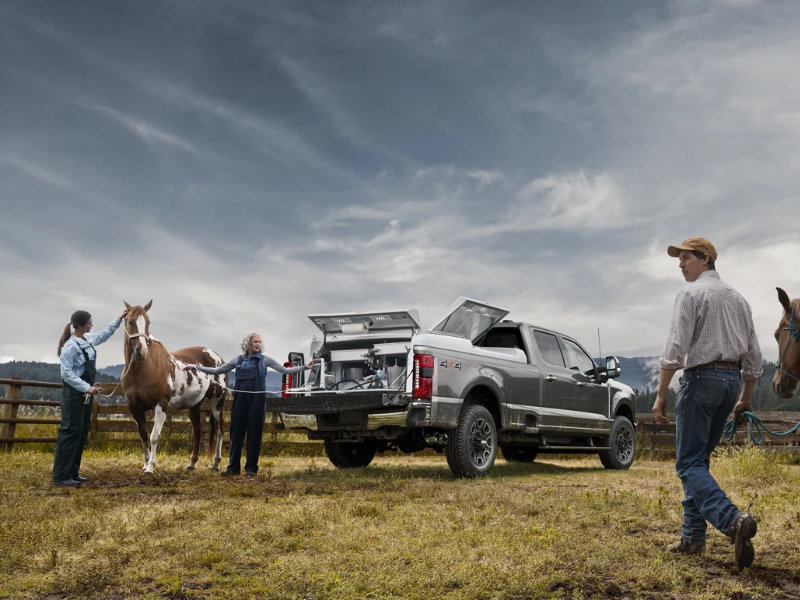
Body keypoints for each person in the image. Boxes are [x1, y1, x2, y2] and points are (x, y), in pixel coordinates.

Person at [652, 237, 762, 571]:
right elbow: (753, 354)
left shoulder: (690, 294)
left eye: (685, 258)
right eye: (679, 259)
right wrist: (744, 397)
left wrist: (661, 393)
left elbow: (675, 346)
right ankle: (692, 539)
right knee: (698, 462)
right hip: (730, 384)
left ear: (706, 259)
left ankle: (733, 520)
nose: (680, 264)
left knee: (688, 465)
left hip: (701, 381)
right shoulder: (739, 299)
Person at [191, 332, 314, 477]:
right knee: (236, 433)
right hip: (240, 401)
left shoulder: (265, 360)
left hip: (256, 401)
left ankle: (251, 469)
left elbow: (284, 370)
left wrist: (305, 367)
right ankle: (233, 467)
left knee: (254, 434)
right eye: (255, 342)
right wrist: (195, 367)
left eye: (260, 342)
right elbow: (218, 370)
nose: (258, 344)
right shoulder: (238, 360)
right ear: (248, 344)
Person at [53, 308, 126, 487]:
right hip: (73, 395)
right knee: (70, 431)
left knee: (81, 432)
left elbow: (105, 334)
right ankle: (60, 475)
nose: (92, 324)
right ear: (83, 324)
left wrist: (119, 318)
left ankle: (73, 473)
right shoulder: (70, 346)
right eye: (90, 322)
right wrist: (87, 387)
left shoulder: (87, 339)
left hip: (85, 395)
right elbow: (67, 374)